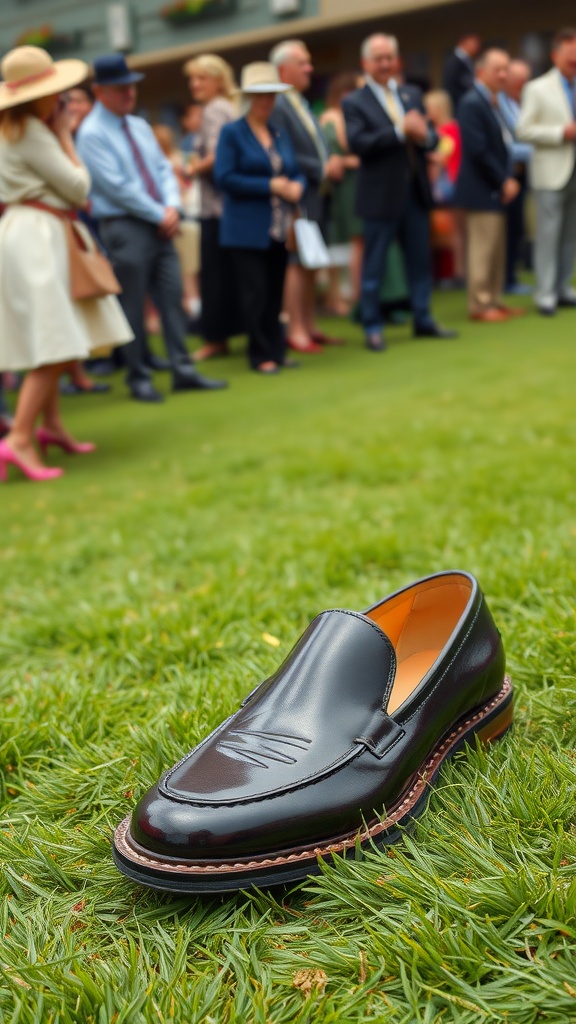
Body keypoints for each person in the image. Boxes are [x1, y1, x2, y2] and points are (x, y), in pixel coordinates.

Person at [0, 45, 132, 483]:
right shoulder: (33, 133)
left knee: (51, 336)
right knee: (55, 343)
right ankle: (20, 439)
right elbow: (77, 188)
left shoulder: (9, 130)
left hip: (28, 232)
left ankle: (51, 427)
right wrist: (65, 136)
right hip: (39, 234)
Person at [76, 54, 227, 402]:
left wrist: (171, 207)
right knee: (132, 305)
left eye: (131, 86)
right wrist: (162, 212)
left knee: (172, 298)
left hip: (158, 221)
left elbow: (162, 169)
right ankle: (138, 376)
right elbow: (116, 187)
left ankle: (182, 370)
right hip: (126, 225)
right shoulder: (92, 133)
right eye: (120, 88)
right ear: (99, 91)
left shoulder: (138, 125)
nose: (129, 93)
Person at [343, 34, 457, 351]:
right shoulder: (354, 101)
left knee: (420, 261)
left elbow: (431, 138)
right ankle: (372, 326)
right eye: (378, 58)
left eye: (390, 57)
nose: (385, 63)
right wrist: (398, 131)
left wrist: (424, 136)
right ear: (366, 63)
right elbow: (359, 144)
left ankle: (423, 318)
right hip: (380, 195)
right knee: (375, 264)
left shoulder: (411, 94)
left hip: (415, 191)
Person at [215, 62, 305, 374]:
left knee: (274, 291)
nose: (266, 101)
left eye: (271, 95)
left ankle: (276, 350)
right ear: (249, 97)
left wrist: (296, 185)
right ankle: (259, 353)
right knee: (254, 292)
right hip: (245, 227)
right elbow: (224, 177)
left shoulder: (278, 132)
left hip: (278, 227)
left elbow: (294, 170)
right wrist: (268, 185)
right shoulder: (232, 132)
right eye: (260, 95)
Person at [269, 39, 344, 352]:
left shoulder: (298, 101)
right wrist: (324, 167)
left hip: (316, 191)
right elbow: (287, 154)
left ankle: (309, 324)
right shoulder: (278, 103)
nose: (309, 69)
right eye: (303, 63)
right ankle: (295, 328)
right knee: (298, 261)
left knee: (312, 260)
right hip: (298, 192)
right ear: (283, 69)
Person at [454, 49, 523, 323]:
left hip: (494, 187)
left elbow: (503, 144)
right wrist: (502, 180)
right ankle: (480, 304)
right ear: (481, 72)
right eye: (498, 69)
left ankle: (494, 299)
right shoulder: (472, 102)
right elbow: (478, 150)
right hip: (481, 187)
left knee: (496, 246)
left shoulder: (494, 101)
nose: (504, 75)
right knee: (483, 247)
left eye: (506, 69)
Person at [184, 54, 240, 362]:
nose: (195, 84)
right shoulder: (230, 106)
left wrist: (193, 168)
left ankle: (215, 339)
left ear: (219, 79)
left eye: (201, 78)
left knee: (215, 276)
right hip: (228, 206)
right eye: (192, 79)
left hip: (216, 208)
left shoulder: (215, 109)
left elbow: (218, 156)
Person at [517, 28, 576, 316]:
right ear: (556, 55)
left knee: (570, 234)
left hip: (574, 169)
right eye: (570, 55)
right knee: (548, 234)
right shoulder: (537, 88)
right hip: (550, 171)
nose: (574, 60)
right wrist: (560, 132)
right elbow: (523, 130)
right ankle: (545, 293)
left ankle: (564, 288)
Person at [319, 73, 363, 315]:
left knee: (350, 242)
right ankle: (343, 298)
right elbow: (346, 147)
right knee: (344, 242)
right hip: (342, 188)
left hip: (350, 185)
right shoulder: (333, 117)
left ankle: (346, 296)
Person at [498, 60, 533, 295]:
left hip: (520, 176)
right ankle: (505, 280)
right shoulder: (498, 102)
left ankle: (511, 277)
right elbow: (505, 146)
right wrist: (539, 149)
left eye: (525, 78)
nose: (522, 83)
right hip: (503, 177)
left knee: (517, 228)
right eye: (517, 77)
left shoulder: (519, 103)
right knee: (506, 230)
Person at [424, 89, 465, 287]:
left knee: (454, 232)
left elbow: (443, 156)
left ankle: (457, 272)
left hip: (450, 186)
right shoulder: (452, 128)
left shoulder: (446, 130)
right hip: (453, 185)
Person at [442, 34, 482, 112]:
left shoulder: (467, 59)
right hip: (458, 105)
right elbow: (450, 85)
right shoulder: (453, 60)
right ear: (464, 42)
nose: (477, 47)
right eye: (474, 44)